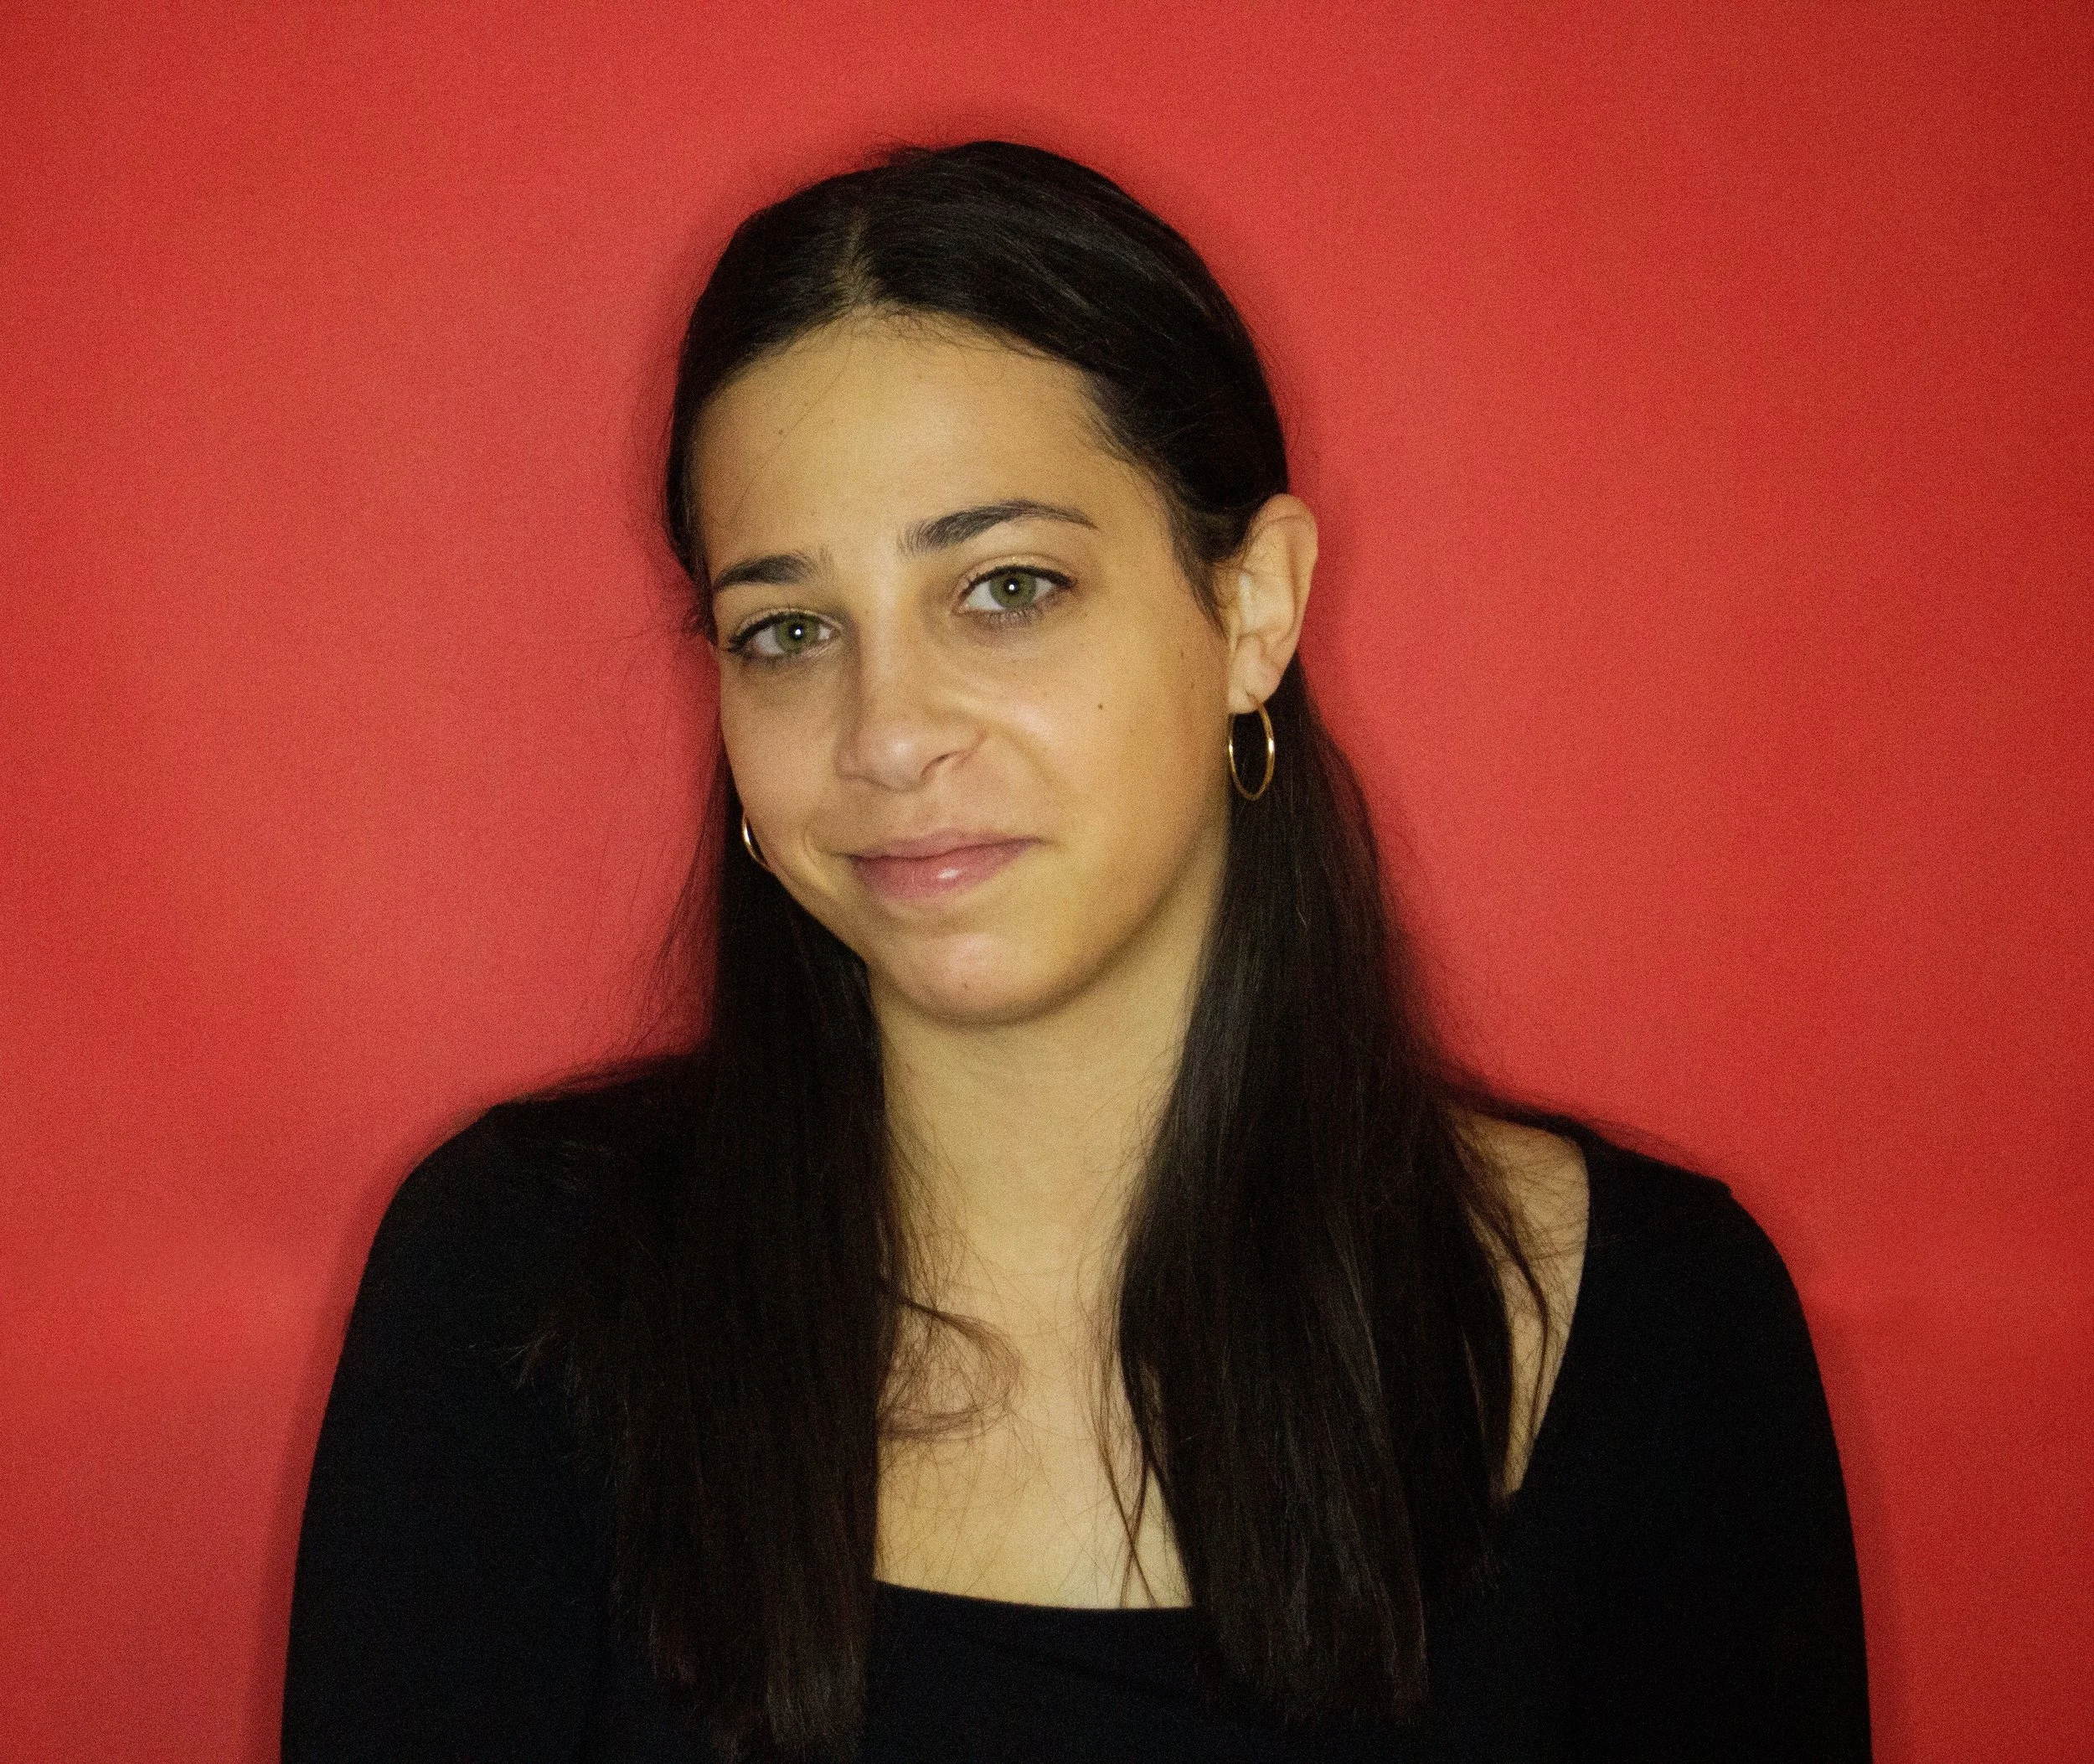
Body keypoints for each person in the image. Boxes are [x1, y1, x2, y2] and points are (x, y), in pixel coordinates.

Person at [281, 140, 1870, 1761]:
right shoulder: (512, 1292)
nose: (888, 735)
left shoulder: (1660, 1330)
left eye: (1008, 587)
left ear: (1252, 607)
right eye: (788, 629)